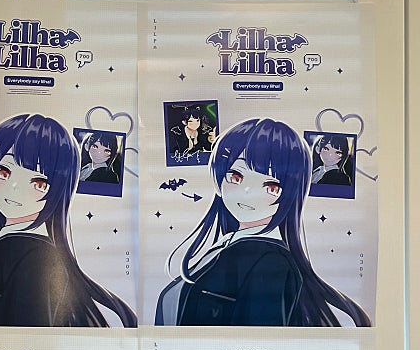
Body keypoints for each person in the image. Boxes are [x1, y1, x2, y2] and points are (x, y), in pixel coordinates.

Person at [0, 112, 137, 328]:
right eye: (4, 172)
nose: (15, 188)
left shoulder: (34, 258)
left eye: (38, 183)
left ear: (58, 190)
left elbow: (24, 341)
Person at [155, 118, 371, 327]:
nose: (248, 192)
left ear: (290, 195)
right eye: (236, 177)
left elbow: (258, 343)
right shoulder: (228, 246)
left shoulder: (271, 263)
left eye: (270, 186)